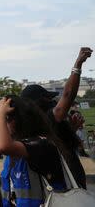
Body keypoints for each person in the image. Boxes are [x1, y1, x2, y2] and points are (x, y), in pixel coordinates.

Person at [21, 46, 91, 189]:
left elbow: (58, 141)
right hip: (68, 185)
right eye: (48, 99)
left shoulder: (34, 126)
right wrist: (78, 64)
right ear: (39, 103)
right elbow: (67, 95)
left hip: (60, 183)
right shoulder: (46, 118)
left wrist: (71, 128)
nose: (53, 102)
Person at [0, 96, 70, 205]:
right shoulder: (15, 152)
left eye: (7, 119)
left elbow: (3, 147)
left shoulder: (41, 144)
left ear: (20, 120)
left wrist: (0, 114)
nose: (2, 125)